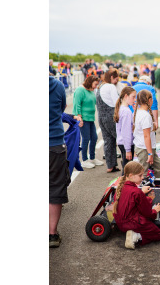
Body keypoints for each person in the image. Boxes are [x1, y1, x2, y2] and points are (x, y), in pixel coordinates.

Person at [112, 161, 160, 249]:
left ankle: (133, 232)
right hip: (133, 223)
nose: (142, 178)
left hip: (120, 223)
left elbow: (131, 200)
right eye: (140, 175)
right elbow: (147, 212)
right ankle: (136, 236)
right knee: (159, 234)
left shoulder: (120, 187)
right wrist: (155, 210)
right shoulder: (137, 192)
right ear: (131, 175)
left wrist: (142, 193)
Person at [49, 75, 70, 248]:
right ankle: (52, 234)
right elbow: (61, 108)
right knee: (55, 187)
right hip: (54, 142)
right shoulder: (57, 85)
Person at [72, 75, 103, 169]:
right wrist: (79, 118)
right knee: (86, 138)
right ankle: (84, 160)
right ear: (90, 82)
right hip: (83, 118)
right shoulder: (80, 90)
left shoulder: (91, 90)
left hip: (90, 118)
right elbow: (77, 104)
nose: (96, 86)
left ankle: (92, 158)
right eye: (95, 84)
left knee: (94, 137)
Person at [133, 90, 160, 177]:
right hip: (145, 148)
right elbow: (146, 136)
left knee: (158, 167)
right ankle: (143, 189)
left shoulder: (139, 112)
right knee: (144, 172)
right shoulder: (145, 116)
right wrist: (150, 153)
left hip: (145, 147)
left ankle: (153, 186)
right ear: (149, 100)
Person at [97, 70, 121, 173]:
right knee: (121, 139)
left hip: (101, 117)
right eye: (116, 79)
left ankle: (110, 166)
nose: (116, 81)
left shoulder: (100, 87)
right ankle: (128, 164)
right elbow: (117, 102)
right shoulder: (111, 87)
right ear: (111, 77)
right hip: (111, 116)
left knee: (108, 141)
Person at [114, 86, 137, 174]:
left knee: (126, 168)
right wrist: (128, 150)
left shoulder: (122, 109)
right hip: (126, 144)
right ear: (126, 96)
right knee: (127, 171)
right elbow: (126, 132)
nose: (134, 100)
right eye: (133, 97)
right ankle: (123, 186)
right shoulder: (126, 111)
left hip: (122, 142)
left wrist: (134, 111)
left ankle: (123, 185)